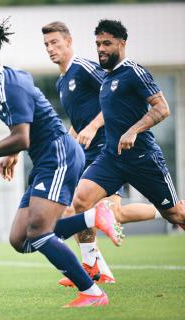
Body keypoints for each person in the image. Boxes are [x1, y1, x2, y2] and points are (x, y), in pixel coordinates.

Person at [0, 18, 123, 308]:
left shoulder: (8, 85)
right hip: (46, 157)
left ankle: (92, 293)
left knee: (39, 232)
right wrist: (12, 153)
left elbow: (21, 137)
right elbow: (26, 129)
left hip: (58, 155)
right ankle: (92, 218)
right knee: (20, 239)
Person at [41, 21, 163, 287]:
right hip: (89, 154)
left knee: (88, 208)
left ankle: (95, 266)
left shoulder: (84, 68)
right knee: (91, 210)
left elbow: (112, 96)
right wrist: (67, 145)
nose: (50, 49)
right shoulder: (63, 81)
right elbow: (80, 119)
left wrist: (95, 126)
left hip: (106, 151)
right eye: (46, 45)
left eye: (55, 43)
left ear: (69, 42)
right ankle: (95, 266)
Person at [72, 19, 185, 251]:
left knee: (175, 214)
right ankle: (92, 264)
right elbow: (109, 112)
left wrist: (133, 130)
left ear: (122, 44)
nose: (101, 49)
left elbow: (162, 108)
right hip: (111, 158)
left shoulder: (134, 72)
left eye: (107, 43)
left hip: (142, 157)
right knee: (80, 200)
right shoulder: (106, 78)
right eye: (98, 44)